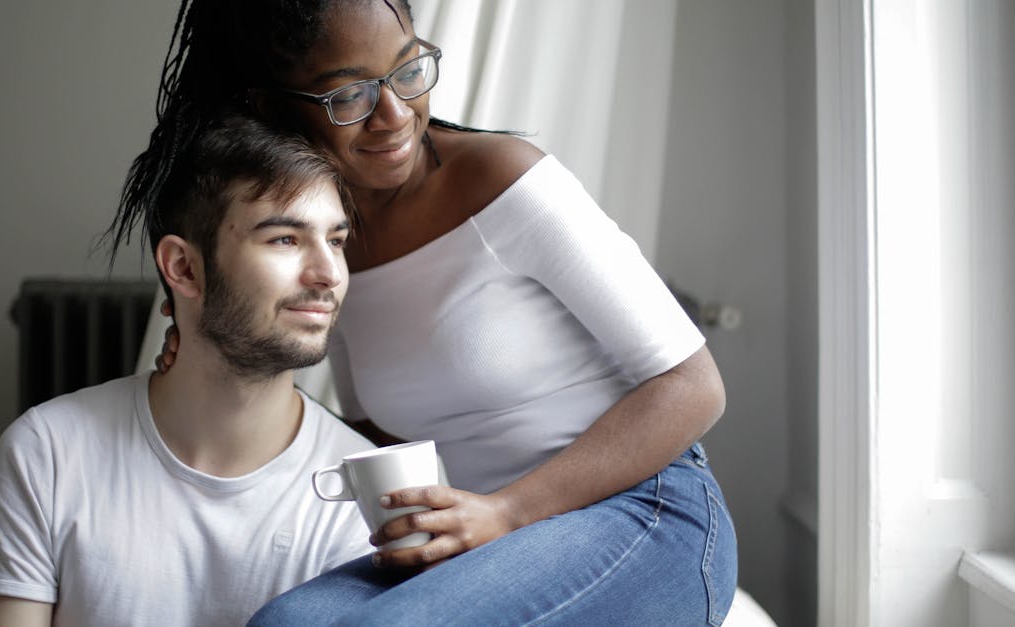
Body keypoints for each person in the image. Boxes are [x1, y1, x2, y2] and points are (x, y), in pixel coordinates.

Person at [132, 1, 739, 624]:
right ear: (270, 105)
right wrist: (208, 338)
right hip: (493, 533)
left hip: (649, 509)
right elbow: (376, 434)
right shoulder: (328, 241)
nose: (395, 115)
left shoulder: (504, 181)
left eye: (406, 69)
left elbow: (695, 387)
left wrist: (507, 511)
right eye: (349, 96)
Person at [0, 116, 376, 626]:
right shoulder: (47, 454)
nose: (329, 274)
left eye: (335, 240)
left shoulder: (361, 487)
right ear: (183, 268)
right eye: (285, 239)